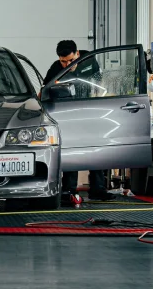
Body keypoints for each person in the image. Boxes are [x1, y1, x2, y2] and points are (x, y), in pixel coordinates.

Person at [43, 40, 115, 202]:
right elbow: (45, 90)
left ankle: (98, 189)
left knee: (96, 151)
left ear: (77, 54)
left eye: (70, 60)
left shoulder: (90, 61)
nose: (68, 64)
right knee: (71, 152)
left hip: (91, 112)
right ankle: (69, 190)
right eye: (63, 61)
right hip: (69, 115)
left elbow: (99, 84)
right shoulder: (55, 67)